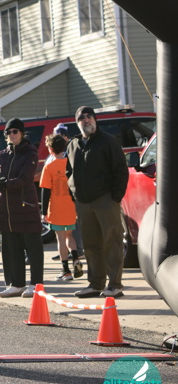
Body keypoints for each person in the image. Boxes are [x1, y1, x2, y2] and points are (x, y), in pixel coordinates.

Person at [65, 106, 129, 298]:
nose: (86, 120)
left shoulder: (108, 141)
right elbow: (69, 172)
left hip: (106, 199)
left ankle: (115, 285)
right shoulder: (73, 144)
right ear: (77, 122)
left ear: (95, 119)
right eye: (82, 118)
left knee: (112, 242)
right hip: (83, 202)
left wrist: (115, 196)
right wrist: (74, 195)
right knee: (91, 244)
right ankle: (95, 284)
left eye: (90, 116)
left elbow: (121, 170)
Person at [0, 118, 42, 298]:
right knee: (11, 247)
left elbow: (24, 179)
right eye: (8, 132)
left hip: (25, 204)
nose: (11, 134)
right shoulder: (1, 155)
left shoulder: (30, 153)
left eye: (15, 131)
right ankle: (16, 284)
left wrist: (4, 184)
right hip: (5, 208)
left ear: (22, 133)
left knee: (33, 247)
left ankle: (36, 284)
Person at [39, 133, 83, 281]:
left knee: (60, 239)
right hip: (70, 205)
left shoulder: (48, 167)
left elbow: (45, 191)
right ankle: (75, 258)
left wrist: (43, 212)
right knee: (70, 236)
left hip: (56, 208)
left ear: (50, 149)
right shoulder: (70, 164)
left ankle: (66, 270)